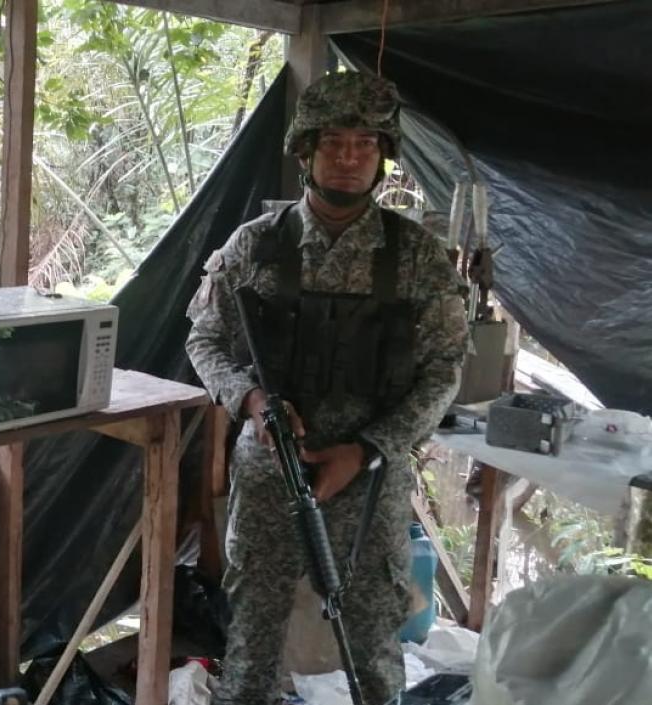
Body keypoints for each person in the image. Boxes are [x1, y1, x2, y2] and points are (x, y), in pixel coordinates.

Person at [184, 71, 470, 705]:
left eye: (365, 144)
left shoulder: (418, 257)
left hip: (370, 477)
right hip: (271, 468)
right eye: (334, 142)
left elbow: (443, 370)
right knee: (253, 637)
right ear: (305, 149)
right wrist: (252, 400)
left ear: (382, 156)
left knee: (372, 641)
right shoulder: (256, 246)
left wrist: (368, 449)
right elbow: (204, 341)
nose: (349, 157)